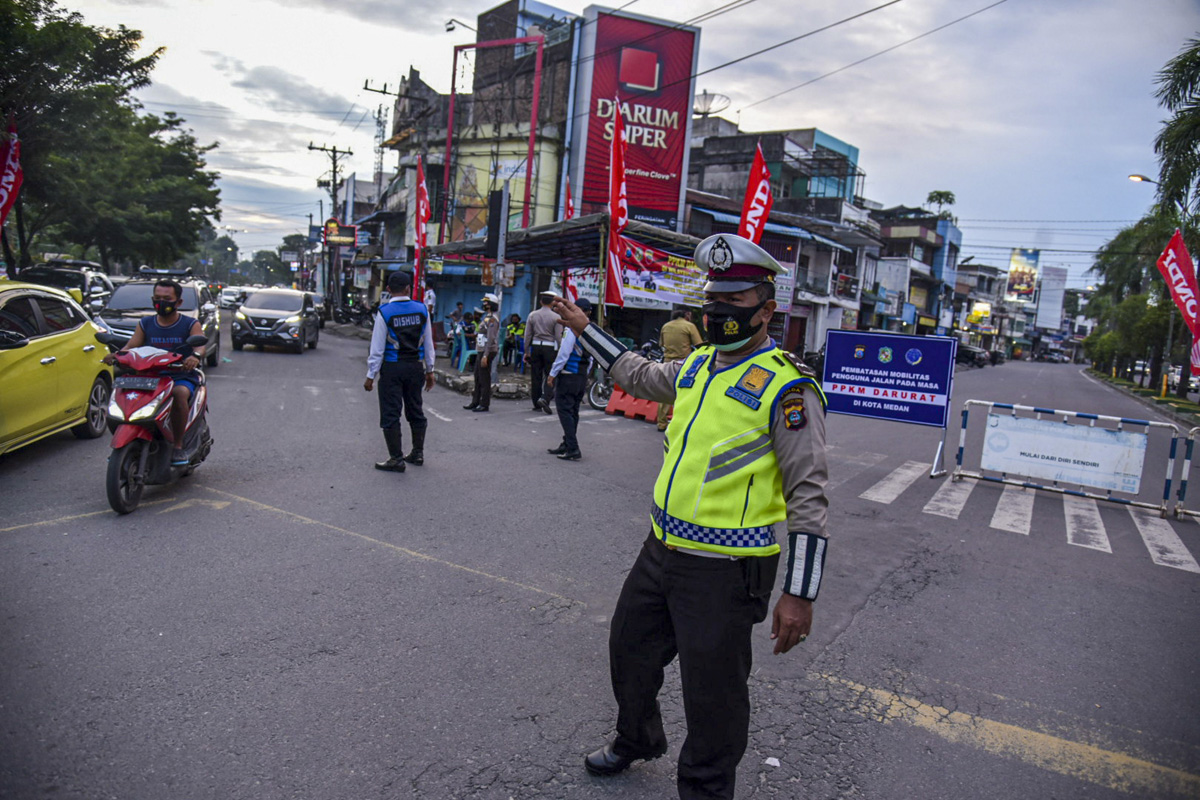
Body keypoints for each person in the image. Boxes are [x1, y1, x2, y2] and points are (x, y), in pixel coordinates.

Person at [549, 233, 830, 800]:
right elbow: (634, 374)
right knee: (629, 651)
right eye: (713, 303)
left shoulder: (788, 388)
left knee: (714, 697)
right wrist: (584, 326)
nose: (718, 314)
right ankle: (637, 738)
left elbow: (810, 494)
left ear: (766, 309)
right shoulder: (697, 365)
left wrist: (800, 593)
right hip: (661, 552)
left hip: (728, 570)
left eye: (733, 304)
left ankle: (704, 791)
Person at [103, 279, 205, 466]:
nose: (161, 302)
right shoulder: (146, 323)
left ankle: (178, 445)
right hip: (149, 376)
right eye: (157, 298)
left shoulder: (190, 323)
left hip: (178, 376)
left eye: (167, 298)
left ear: (178, 302)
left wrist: (195, 357)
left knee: (179, 394)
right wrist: (117, 356)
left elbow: (199, 346)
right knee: (123, 393)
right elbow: (131, 346)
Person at [364, 270, 436, 471]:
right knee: (415, 409)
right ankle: (417, 453)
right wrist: (430, 370)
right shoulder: (422, 310)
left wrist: (371, 375)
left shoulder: (384, 312)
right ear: (408, 289)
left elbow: (377, 348)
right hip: (415, 367)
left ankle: (396, 458)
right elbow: (428, 344)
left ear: (388, 290)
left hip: (392, 368)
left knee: (391, 413)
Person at [545, 298, 594, 461]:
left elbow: (564, 353)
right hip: (580, 376)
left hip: (568, 375)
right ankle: (566, 444)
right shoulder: (590, 330)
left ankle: (573, 447)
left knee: (565, 411)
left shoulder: (573, 328)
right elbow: (592, 357)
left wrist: (552, 374)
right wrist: (585, 374)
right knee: (573, 411)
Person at [655, 309, 703, 431]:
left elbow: (661, 343)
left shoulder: (666, 326)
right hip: (683, 363)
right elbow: (699, 345)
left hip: (667, 362)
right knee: (684, 393)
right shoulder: (689, 326)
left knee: (665, 393)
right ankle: (681, 423)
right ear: (686, 314)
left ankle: (661, 423)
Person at [524, 291, 561, 414]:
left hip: (536, 346)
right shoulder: (556, 317)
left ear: (541, 301)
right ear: (553, 303)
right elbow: (558, 337)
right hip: (549, 348)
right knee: (550, 375)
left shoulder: (532, 315)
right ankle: (545, 398)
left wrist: (526, 351)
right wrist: (560, 351)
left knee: (536, 375)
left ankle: (536, 403)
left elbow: (527, 335)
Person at [464, 294, 501, 413]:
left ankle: (484, 403)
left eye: (486, 303)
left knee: (484, 378)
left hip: (487, 351)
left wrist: (485, 355)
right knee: (477, 376)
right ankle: (475, 401)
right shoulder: (487, 317)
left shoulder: (492, 319)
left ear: (491, 305)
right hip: (481, 350)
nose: (484, 304)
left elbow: (491, 339)